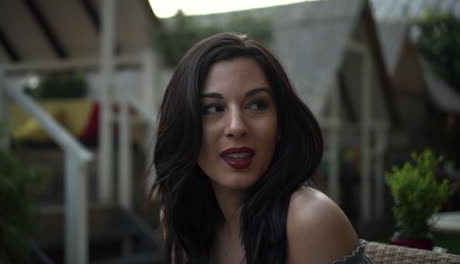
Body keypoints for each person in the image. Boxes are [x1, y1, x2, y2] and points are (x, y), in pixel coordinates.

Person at [151, 32, 372, 264]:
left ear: (280, 123)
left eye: (257, 105)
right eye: (213, 108)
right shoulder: (182, 219)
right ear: (183, 126)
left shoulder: (310, 220)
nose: (236, 127)